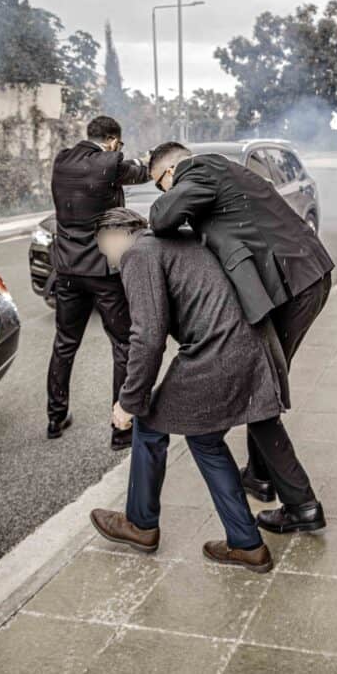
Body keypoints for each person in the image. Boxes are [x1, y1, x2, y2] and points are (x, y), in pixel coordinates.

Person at [146, 142, 333, 534]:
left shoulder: (198, 170)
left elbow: (162, 218)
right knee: (260, 381)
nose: (166, 193)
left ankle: (301, 505)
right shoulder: (220, 172)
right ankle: (262, 477)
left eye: (161, 184)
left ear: (170, 172)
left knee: (258, 387)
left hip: (295, 283)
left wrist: (166, 196)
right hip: (299, 278)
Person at [89, 208, 283, 573]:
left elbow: (147, 337)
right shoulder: (174, 238)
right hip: (249, 344)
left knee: (148, 424)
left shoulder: (138, 253)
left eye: (103, 248)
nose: (107, 260)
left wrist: (129, 401)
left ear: (114, 234)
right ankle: (246, 544)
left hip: (215, 352)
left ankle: (141, 525)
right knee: (205, 440)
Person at [46, 116, 150, 450]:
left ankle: (55, 417)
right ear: (111, 140)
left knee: (64, 342)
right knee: (122, 345)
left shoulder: (62, 160)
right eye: (118, 144)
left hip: (67, 270)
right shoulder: (111, 162)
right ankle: (121, 431)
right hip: (104, 272)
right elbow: (143, 172)